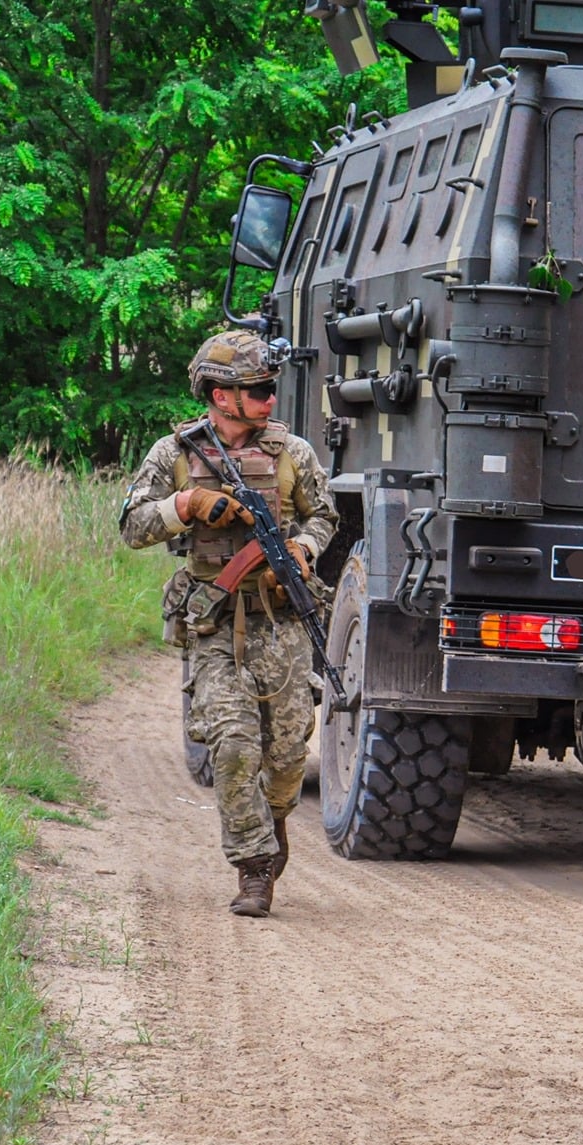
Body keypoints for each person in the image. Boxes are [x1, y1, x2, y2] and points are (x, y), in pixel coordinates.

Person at [119, 330, 340, 918]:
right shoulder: (175, 453)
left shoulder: (293, 452)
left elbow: (325, 517)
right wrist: (185, 506)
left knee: (287, 754)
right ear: (221, 396)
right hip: (213, 622)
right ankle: (254, 866)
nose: (271, 399)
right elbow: (132, 526)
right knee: (234, 745)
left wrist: (303, 550)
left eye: (270, 388)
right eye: (259, 389)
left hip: (282, 620)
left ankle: (274, 819)